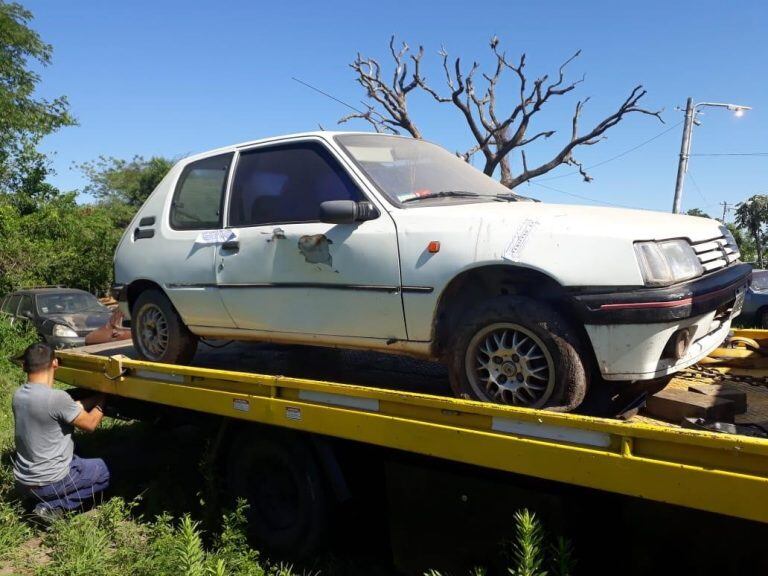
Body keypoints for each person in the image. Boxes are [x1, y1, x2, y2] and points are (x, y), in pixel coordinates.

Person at [12, 342, 110, 517]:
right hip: (50, 482)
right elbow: (90, 424)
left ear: (24, 366)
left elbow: (66, 409)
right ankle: (55, 506)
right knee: (105, 470)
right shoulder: (56, 398)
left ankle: (35, 500)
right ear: (55, 363)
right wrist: (103, 400)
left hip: (23, 482)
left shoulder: (19, 395)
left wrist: (91, 400)